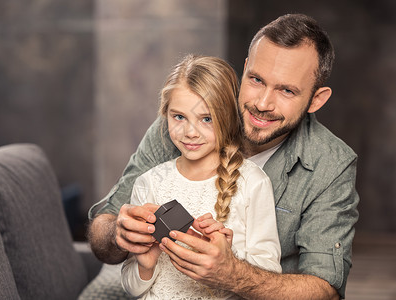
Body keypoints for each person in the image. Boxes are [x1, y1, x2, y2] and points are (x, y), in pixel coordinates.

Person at [87, 13, 359, 299]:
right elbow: (103, 231)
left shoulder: (331, 164)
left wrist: (231, 274)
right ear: (245, 68)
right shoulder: (181, 123)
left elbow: (325, 289)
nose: (262, 103)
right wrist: (120, 235)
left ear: (316, 99)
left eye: (287, 91)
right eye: (256, 79)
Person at [120, 54, 282, 299]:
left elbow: (269, 276)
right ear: (165, 115)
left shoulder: (253, 183)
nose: (190, 132)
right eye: (179, 117)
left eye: (206, 119)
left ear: (227, 119)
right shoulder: (150, 183)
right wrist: (145, 264)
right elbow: (132, 288)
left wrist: (230, 263)